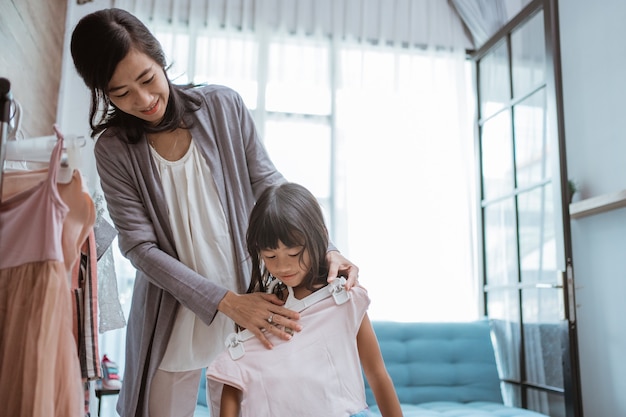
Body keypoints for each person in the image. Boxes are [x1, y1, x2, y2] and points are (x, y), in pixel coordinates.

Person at [69, 8, 359, 417]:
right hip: (177, 312)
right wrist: (226, 302)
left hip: (254, 301)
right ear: (103, 93)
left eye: (148, 79)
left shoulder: (222, 105)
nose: (144, 100)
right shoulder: (114, 151)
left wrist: (326, 248)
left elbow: (271, 187)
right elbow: (140, 248)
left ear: (159, 57)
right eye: (121, 93)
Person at [206, 182, 402, 417]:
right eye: (270, 256)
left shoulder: (342, 300)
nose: (283, 266)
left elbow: (377, 373)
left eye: (293, 253)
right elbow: (234, 375)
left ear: (319, 237)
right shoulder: (261, 308)